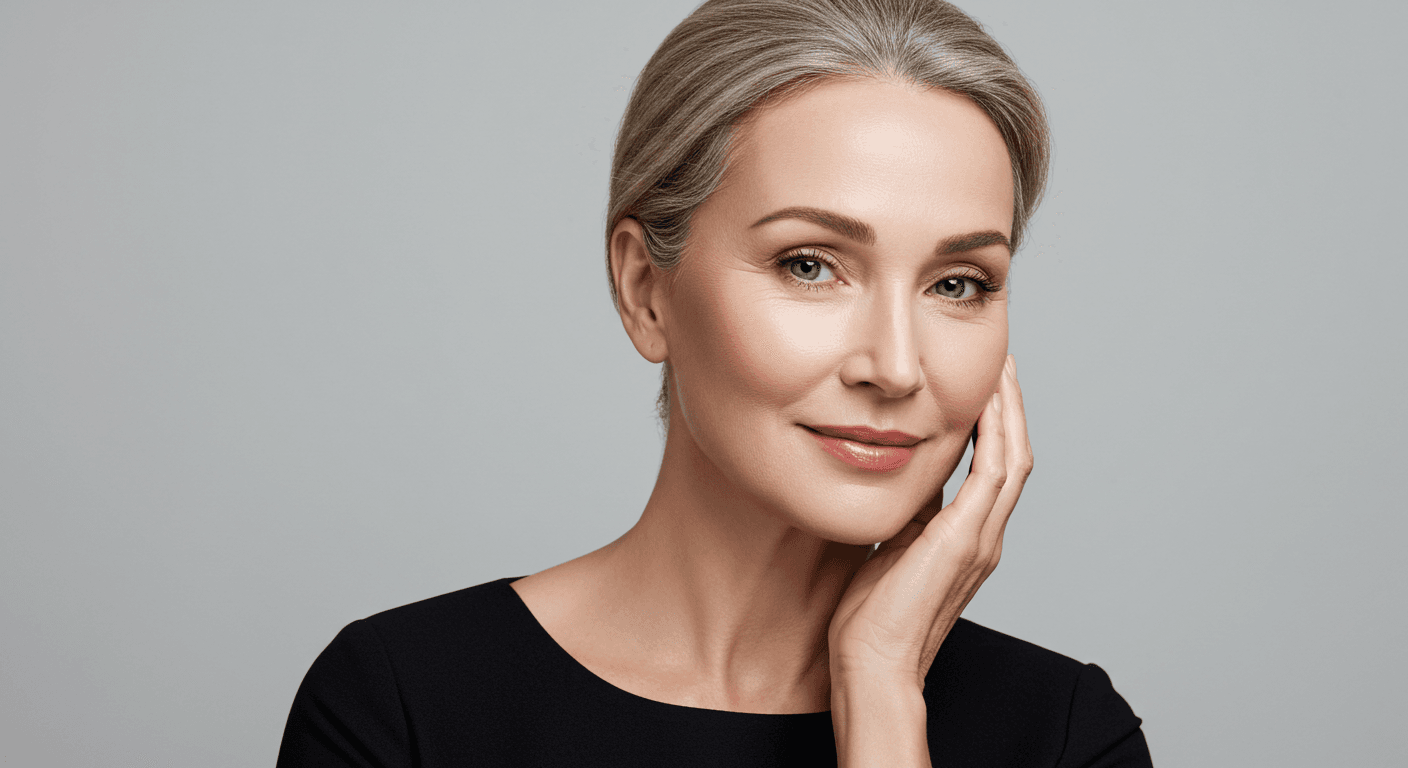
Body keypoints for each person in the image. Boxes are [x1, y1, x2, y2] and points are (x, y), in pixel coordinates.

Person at [277, 0, 1153, 765]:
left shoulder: (1064, 736)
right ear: (644, 289)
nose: (894, 366)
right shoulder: (403, 707)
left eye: (957, 284)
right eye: (810, 265)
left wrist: (881, 690)